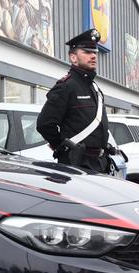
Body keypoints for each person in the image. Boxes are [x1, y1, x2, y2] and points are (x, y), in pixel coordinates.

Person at [36, 28, 113, 173]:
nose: (93, 56)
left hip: (100, 164)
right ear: (73, 58)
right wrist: (62, 145)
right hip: (76, 164)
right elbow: (45, 124)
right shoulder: (66, 86)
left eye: (94, 52)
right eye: (87, 52)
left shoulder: (95, 88)